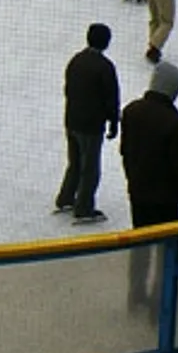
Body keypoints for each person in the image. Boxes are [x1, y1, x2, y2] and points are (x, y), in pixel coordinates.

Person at [121, 61, 178, 312]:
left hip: (138, 191)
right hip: (165, 199)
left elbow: (125, 151)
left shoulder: (131, 111)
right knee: (165, 250)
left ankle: (135, 294)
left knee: (141, 247)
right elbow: (177, 164)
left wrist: (133, 178)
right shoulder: (173, 121)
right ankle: (159, 299)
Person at [55, 23, 120, 224]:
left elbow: (68, 89)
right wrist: (114, 122)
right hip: (91, 125)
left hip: (72, 120)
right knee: (90, 167)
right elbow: (111, 98)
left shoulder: (76, 61)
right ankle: (84, 207)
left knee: (74, 162)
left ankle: (66, 197)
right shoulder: (105, 67)